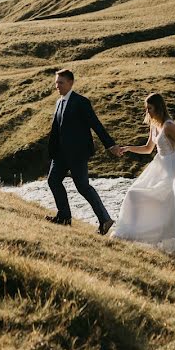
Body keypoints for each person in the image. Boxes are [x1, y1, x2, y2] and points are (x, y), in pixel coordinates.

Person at [112, 93, 175, 258]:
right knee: (134, 193)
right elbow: (148, 148)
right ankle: (133, 232)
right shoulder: (154, 124)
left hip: (173, 168)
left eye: (150, 108)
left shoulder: (169, 126)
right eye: (146, 109)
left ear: (158, 107)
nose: (148, 112)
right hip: (159, 167)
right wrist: (128, 147)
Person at [45, 69, 121, 235]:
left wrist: (110, 145)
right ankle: (64, 217)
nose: (57, 85)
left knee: (83, 187)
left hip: (77, 154)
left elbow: (96, 124)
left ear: (71, 83)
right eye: (56, 82)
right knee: (53, 180)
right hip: (60, 155)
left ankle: (105, 220)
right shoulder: (59, 102)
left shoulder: (81, 102)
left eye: (61, 82)